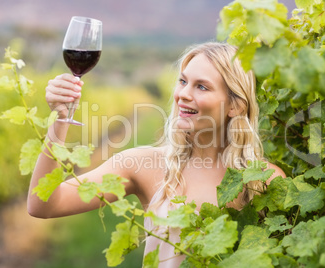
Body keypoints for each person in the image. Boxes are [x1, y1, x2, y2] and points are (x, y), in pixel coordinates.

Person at [28, 42, 286, 267]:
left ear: (235, 105)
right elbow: (44, 204)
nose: (183, 94)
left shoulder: (264, 180)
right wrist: (61, 120)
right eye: (183, 81)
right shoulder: (145, 164)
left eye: (202, 87)